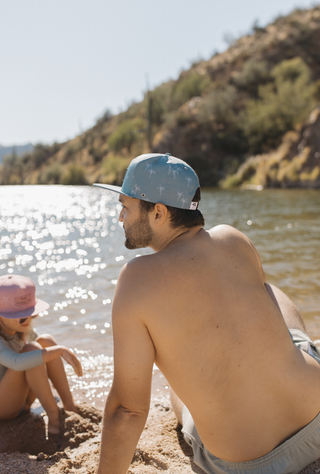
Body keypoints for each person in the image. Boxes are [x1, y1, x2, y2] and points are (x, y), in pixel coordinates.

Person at [94, 153, 320, 474]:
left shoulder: (136, 278)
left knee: (178, 387)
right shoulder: (233, 238)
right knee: (271, 294)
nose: (120, 216)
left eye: (126, 206)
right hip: (316, 419)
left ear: (158, 212)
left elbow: (128, 410)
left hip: (251, 463)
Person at [0, 274, 83, 434]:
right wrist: (60, 350)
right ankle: (53, 417)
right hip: (3, 408)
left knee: (46, 341)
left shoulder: (21, 331)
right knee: (33, 350)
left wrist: (53, 349)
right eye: (23, 317)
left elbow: (40, 351)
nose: (29, 320)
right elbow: (16, 362)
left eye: (33, 314)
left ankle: (69, 405)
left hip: (20, 402)